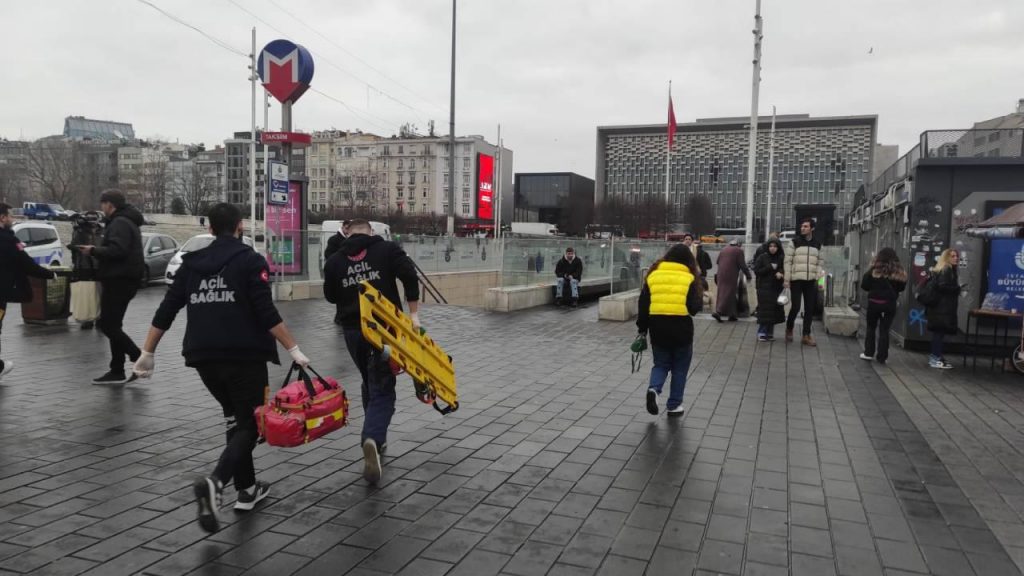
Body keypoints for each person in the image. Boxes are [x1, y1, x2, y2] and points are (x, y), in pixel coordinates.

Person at [131, 203, 310, 533]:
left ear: (210, 228)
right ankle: (216, 483)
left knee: (236, 418)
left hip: (203, 357)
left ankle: (247, 490)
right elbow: (265, 311)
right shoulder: (249, 261)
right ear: (240, 226)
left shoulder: (192, 263)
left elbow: (167, 309)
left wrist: (147, 352)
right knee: (252, 424)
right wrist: (294, 350)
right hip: (244, 356)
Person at [323, 218, 420, 485]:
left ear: (347, 232)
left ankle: (375, 435)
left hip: (353, 332)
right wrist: (414, 315)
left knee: (370, 379)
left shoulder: (334, 261)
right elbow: (410, 275)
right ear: (371, 231)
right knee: (383, 387)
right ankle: (373, 438)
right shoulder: (387, 250)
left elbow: (330, 296)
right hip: (384, 331)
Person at [78, 190, 145, 384]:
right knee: (114, 325)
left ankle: (138, 357)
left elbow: (118, 250)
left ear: (110, 205)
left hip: (119, 280)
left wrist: (93, 250)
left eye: (103, 204)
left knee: (107, 325)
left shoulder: (120, 223)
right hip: (124, 279)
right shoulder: (126, 221)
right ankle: (116, 369)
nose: (101, 208)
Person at [636, 244, 703, 417]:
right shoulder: (689, 277)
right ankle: (674, 405)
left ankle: (654, 389)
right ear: (688, 260)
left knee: (661, 364)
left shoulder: (653, 275)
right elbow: (694, 308)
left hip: (657, 327)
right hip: (681, 328)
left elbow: (643, 305)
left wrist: (642, 328)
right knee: (680, 368)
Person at [0, 203, 57, 379]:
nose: (12, 219)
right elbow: (26, 264)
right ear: (2, 218)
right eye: (9, 215)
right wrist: (50, 274)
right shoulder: (8, 239)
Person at [859, 248, 907, 365]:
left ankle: (868, 353)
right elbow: (901, 287)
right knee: (884, 330)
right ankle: (882, 357)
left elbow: (864, 285)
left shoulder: (874, 269)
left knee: (871, 328)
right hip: (889, 305)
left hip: (874, 304)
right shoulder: (899, 271)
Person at [784, 218, 823, 346]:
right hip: (796, 280)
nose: (802, 228)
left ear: (812, 228)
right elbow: (787, 262)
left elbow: (820, 262)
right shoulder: (794, 242)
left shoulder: (817, 244)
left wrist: (817, 276)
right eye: (802, 226)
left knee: (809, 309)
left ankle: (806, 335)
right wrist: (787, 279)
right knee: (795, 307)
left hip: (810, 281)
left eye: (805, 226)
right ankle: (789, 328)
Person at [925, 249, 960, 369]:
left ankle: (936, 357)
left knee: (938, 334)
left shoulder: (943, 269)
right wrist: (957, 289)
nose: (956, 258)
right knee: (939, 334)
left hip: (939, 308)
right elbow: (942, 286)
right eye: (953, 256)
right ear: (946, 258)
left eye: (957, 256)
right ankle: (935, 359)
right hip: (941, 309)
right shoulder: (946, 270)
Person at [753, 239, 786, 341]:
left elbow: (784, 269)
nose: (772, 248)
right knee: (765, 310)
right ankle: (762, 332)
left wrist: (781, 273)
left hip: (776, 288)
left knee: (773, 311)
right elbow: (757, 271)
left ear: (778, 248)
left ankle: (769, 333)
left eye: (775, 246)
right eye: (771, 246)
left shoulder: (781, 258)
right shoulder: (763, 257)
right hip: (764, 288)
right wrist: (769, 267)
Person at [712, 240, 751, 322]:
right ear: (738, 245)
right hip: (731, 275)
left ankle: (732, 314)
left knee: (727, 293)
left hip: (720, 274)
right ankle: (718, 312)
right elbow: (742, 265)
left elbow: (718, 262)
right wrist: (748, 275)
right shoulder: (739, 250)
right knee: (728, 293)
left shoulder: (724, 249)